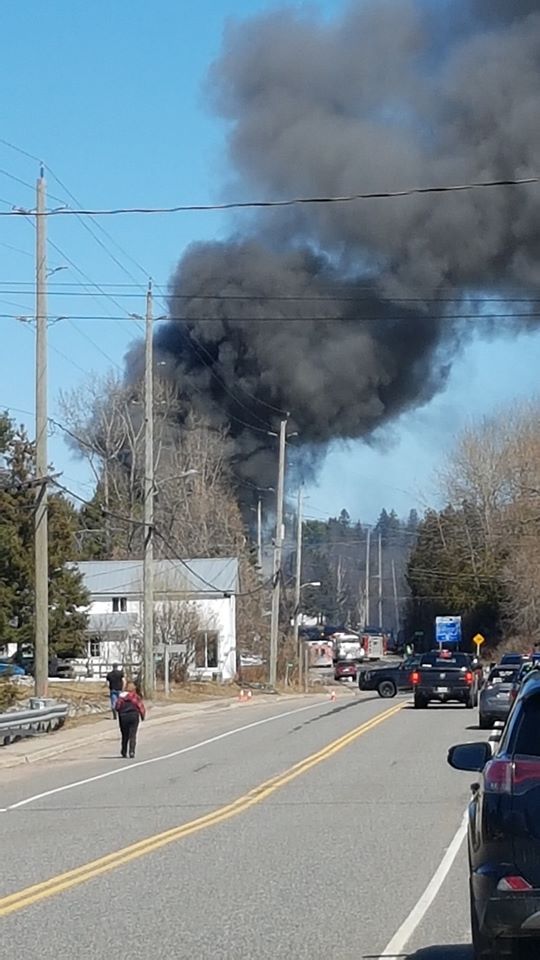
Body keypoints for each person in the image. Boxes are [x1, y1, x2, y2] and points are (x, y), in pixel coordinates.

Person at [116, 681, 145, 759]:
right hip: (134, 716)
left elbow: (117, 707)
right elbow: (140, 706)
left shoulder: (121, 697)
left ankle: (124, 751)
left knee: (124, 735)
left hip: (123, 717)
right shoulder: (135, 697)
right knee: (133, 735)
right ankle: (132, 751)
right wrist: (142, 716)